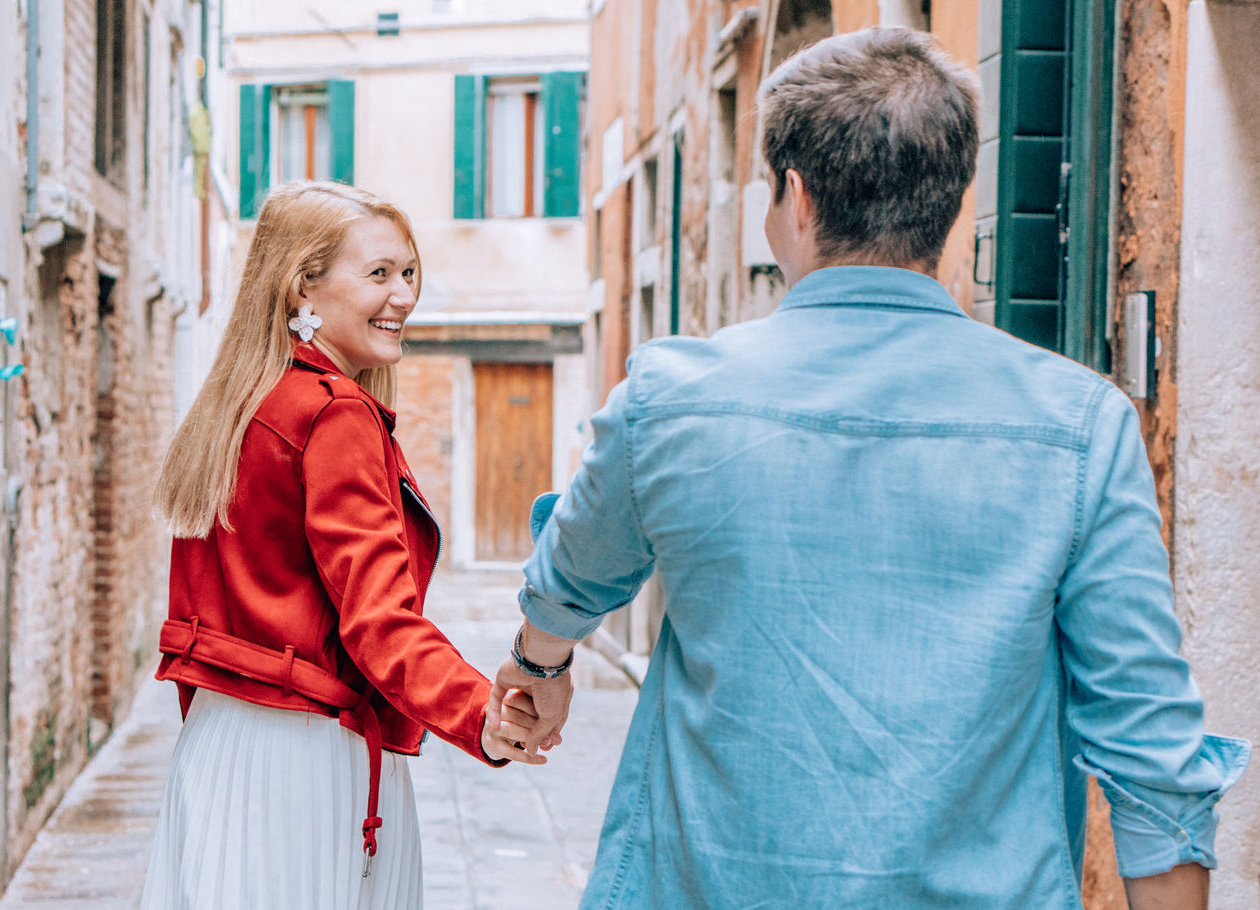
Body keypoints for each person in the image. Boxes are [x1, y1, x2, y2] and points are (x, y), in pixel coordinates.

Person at [490, 27, 1250, 910]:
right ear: (952, 204)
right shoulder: (1082, 425)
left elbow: (572, 578)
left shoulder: (670, 398)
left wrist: (538, 671)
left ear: (797, 198)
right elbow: (1149, 745)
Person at [141, 181, 547, 910]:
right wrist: (478, 713)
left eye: (409, 271)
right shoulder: (335, 416)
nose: (403, 296)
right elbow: (378, 619)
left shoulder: (241, 402)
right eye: (378, 274)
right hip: (305, 763)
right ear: (305, 284)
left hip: (221, 747)